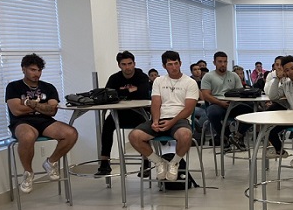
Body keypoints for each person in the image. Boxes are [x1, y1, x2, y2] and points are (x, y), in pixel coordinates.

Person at [5, 53, 79, 193]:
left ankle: (51, 162)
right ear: (24, 69)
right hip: (21, 122)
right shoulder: (13, 87)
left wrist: (29, 103)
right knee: (27, 136)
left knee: (71, 133)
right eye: (33, 70)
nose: (37, 74)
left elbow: (52, 111)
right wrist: (41, 106)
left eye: (39, 70)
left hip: (44, 121)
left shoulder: (48, 87)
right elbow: (16, 110)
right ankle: (28, 173)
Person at [129, 50, 199, 181]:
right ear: (164, 66)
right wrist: (155, 120)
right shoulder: (159, 81)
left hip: (179, 120)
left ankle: (174, 162)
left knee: (185, 135)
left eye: (176, 63)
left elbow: (188, 109)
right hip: (160, 118)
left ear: (180, 63)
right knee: (134, 136)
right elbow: (156, 103)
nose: (174, 67)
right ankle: (158, 162)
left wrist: (171, 123)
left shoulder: (190, 82)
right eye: (170, 64)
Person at [95, 51, 150, 176]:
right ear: (119, 65)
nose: (128, 67)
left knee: (144, 129)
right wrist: (132, 91)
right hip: (120, 113)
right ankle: (104, 162)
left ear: (134, 63)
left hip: (139, 112)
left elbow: (143, 92)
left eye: (130, 64)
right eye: (124, 64)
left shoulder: (141, 76)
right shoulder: (114, 78)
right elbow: (108, 95)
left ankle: (146, 161)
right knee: (107, 126)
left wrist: (122, 93)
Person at [200, 51, 252, 149]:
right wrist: (220, 102)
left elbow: (240, 91)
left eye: (225, 62)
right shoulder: (208, 76)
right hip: (217, 104)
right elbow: (206, 95)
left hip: (234, 104)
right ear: (214, 63)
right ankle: (226, 136)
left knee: (251, 111)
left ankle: (238, 136)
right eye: (220, 61)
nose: (223, 64)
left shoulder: (233, 76)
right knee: (212, 113)